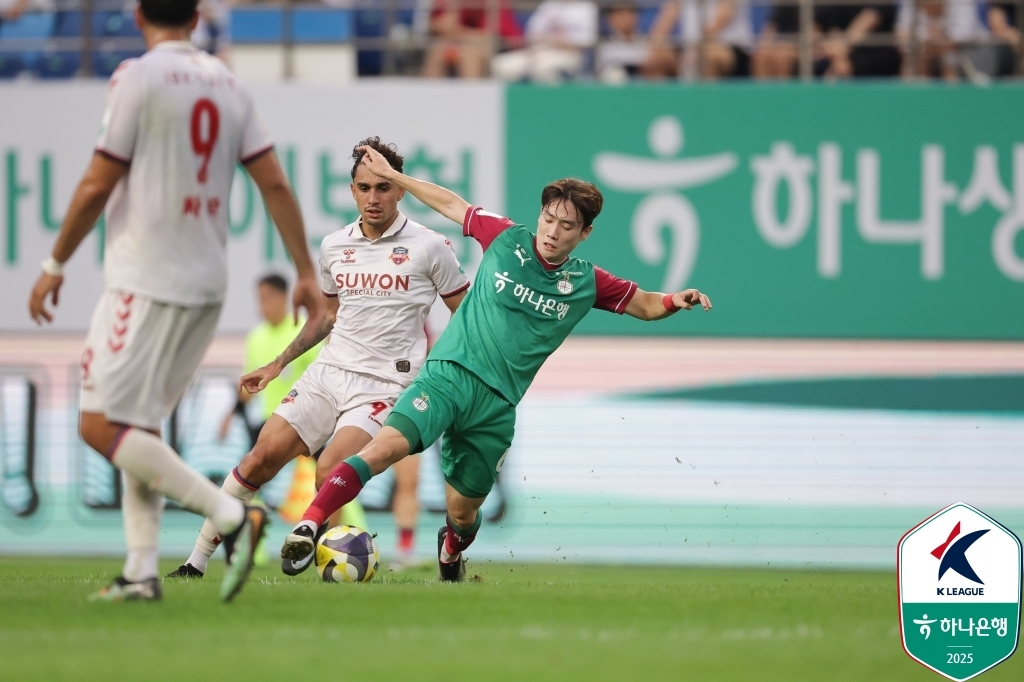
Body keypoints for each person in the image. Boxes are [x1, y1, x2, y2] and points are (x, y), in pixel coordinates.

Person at [280, 146, 713, 582]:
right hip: (447, 375)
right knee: (383, 448)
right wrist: (396, 176)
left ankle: (451, 549)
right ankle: (308, 525)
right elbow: (452, 204)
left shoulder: (586, 281)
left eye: (566, 226)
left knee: (462, 512)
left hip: (497, 404)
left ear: (584, 234)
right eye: (548, 218)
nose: (552, 231)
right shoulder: (506, 238)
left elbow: (646, 305)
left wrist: (677, 299)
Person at [27, 0, 321, 601]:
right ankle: (140, 572)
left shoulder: (136, 77)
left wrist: (55, 262)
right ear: (196, 17)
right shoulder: (229, 83)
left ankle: (232, 514)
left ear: (138, 16)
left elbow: (97, 179)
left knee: (98, 423)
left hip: (145, 279)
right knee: (139, 425)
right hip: (206, 284)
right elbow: (273, 182)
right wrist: (303, 269)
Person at [171, 137, 469, 579]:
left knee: (330, 466)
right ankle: (194, 564)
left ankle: (308, 538)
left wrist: (446, 374)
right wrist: (277, 363)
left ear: (401, 190)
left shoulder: (430, 247)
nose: (373, 197)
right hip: (328, 375)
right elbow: (326, 315)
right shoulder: (334, 246)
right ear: (351, 190)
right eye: (364, 187)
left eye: (383, 187)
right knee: (258, 459)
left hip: (383, 387)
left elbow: (464, 316)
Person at [490, 0, 598, 83]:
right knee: (501, 65)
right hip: (538, 51)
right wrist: (545, 44)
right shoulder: (548, 5)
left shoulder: (586, 8)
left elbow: (587, 41)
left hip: (570, 54)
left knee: (543, 69)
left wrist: (555, 42)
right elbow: (531, 35)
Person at [423, 0, 523, 79]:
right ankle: (427, 101)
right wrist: (439, 26)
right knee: (438, 51)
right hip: (453, 42)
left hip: (496, 47)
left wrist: (456, 31)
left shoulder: (493, 2)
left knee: (469, 54)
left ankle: (471, 102)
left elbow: (492, 35)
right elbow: (433, 24)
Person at [595, 1, 649, 83]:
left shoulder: (647, 42)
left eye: (630, 13)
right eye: (620, 13)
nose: (626, 17)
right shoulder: (604, 45)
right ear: (610, 18)